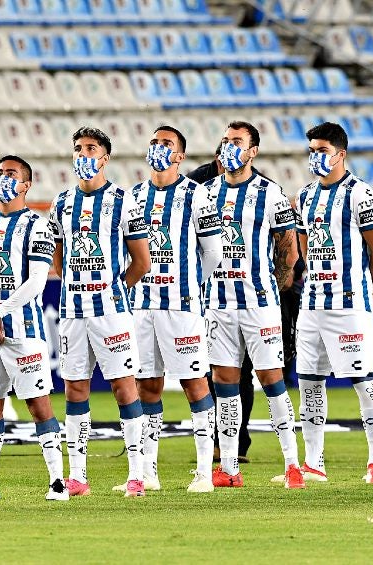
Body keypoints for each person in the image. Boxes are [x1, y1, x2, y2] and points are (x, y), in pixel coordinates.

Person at [49, 127, 151, 497]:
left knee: (124, 388)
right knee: (75, 389)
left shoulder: (125, 201)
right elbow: (56, 258)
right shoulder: (61, 203)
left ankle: (136, 475)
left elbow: (142, 261)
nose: (83, 154)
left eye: (91, 148)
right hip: (73, 312)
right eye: (78, 148)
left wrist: (114, 288)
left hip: (112, 313)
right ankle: (78, 476)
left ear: (105, 157)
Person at [202, 121, 305, 489]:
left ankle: (293, 465)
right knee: (224, 383)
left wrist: (272, 294)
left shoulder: (270, 193)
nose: (229, 146)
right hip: (218, 305)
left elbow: (288, 251)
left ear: (253, 151)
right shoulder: (205, 194)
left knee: (271, 380)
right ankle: (229, 467)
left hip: (258, 304)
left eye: (237, 141)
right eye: (225, 140)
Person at [0, 155, 68, 502]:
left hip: (24, 333)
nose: (3, 178)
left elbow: (37, 281)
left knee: (38, 405)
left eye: (11, 174)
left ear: (26, 184)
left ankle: (57, 482)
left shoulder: (38, 227)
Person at [123, 125, 224, 493]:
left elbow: (213, 252)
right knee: (146, 384)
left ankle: (202, 472)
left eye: (166, 144)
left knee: (194, 383)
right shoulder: (132, 196)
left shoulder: (198, 196)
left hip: (181, 305)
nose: (158, 148)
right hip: (141, 306)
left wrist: (191, 285)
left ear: (180, 155)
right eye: (154, 142)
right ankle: (147, 471)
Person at [293, 122, 373, 484]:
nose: (315, 157)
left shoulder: (360, 194)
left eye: (321, 150)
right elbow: (304, 243)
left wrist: (370, 293)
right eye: (312, 151)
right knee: (309, 382)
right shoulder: (305, 195)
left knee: (363, 380)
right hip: (312, 305)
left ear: (340, 153)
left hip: (350, 304)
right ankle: (314, 463)